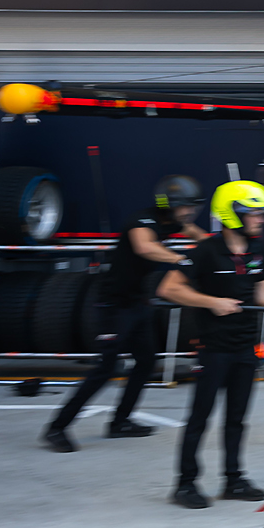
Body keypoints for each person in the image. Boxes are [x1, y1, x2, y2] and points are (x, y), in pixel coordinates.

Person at [158, 181, 264, 510]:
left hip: (245, 347)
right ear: (232, 214)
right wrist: (211, 302)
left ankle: (233, 480)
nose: (261, 219)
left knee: (236, 418)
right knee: (200, 417)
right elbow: (169, 289)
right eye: (254, 213)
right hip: (213, 348)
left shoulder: (256, 251)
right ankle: (185, 484)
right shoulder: (206, 251)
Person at [42, 175, 205, 452]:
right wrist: (181, 258)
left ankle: (120, 422)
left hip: (138, 303)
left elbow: (198, 235)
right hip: (113, 306)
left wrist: (219, 250)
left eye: (193, 206)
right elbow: (144, 246)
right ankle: (56, 428)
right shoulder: (141, 221)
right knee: (106, 368)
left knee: (146, 361)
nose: (190, 212)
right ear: (169, 204)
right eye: (186, 206)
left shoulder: (175, 222)